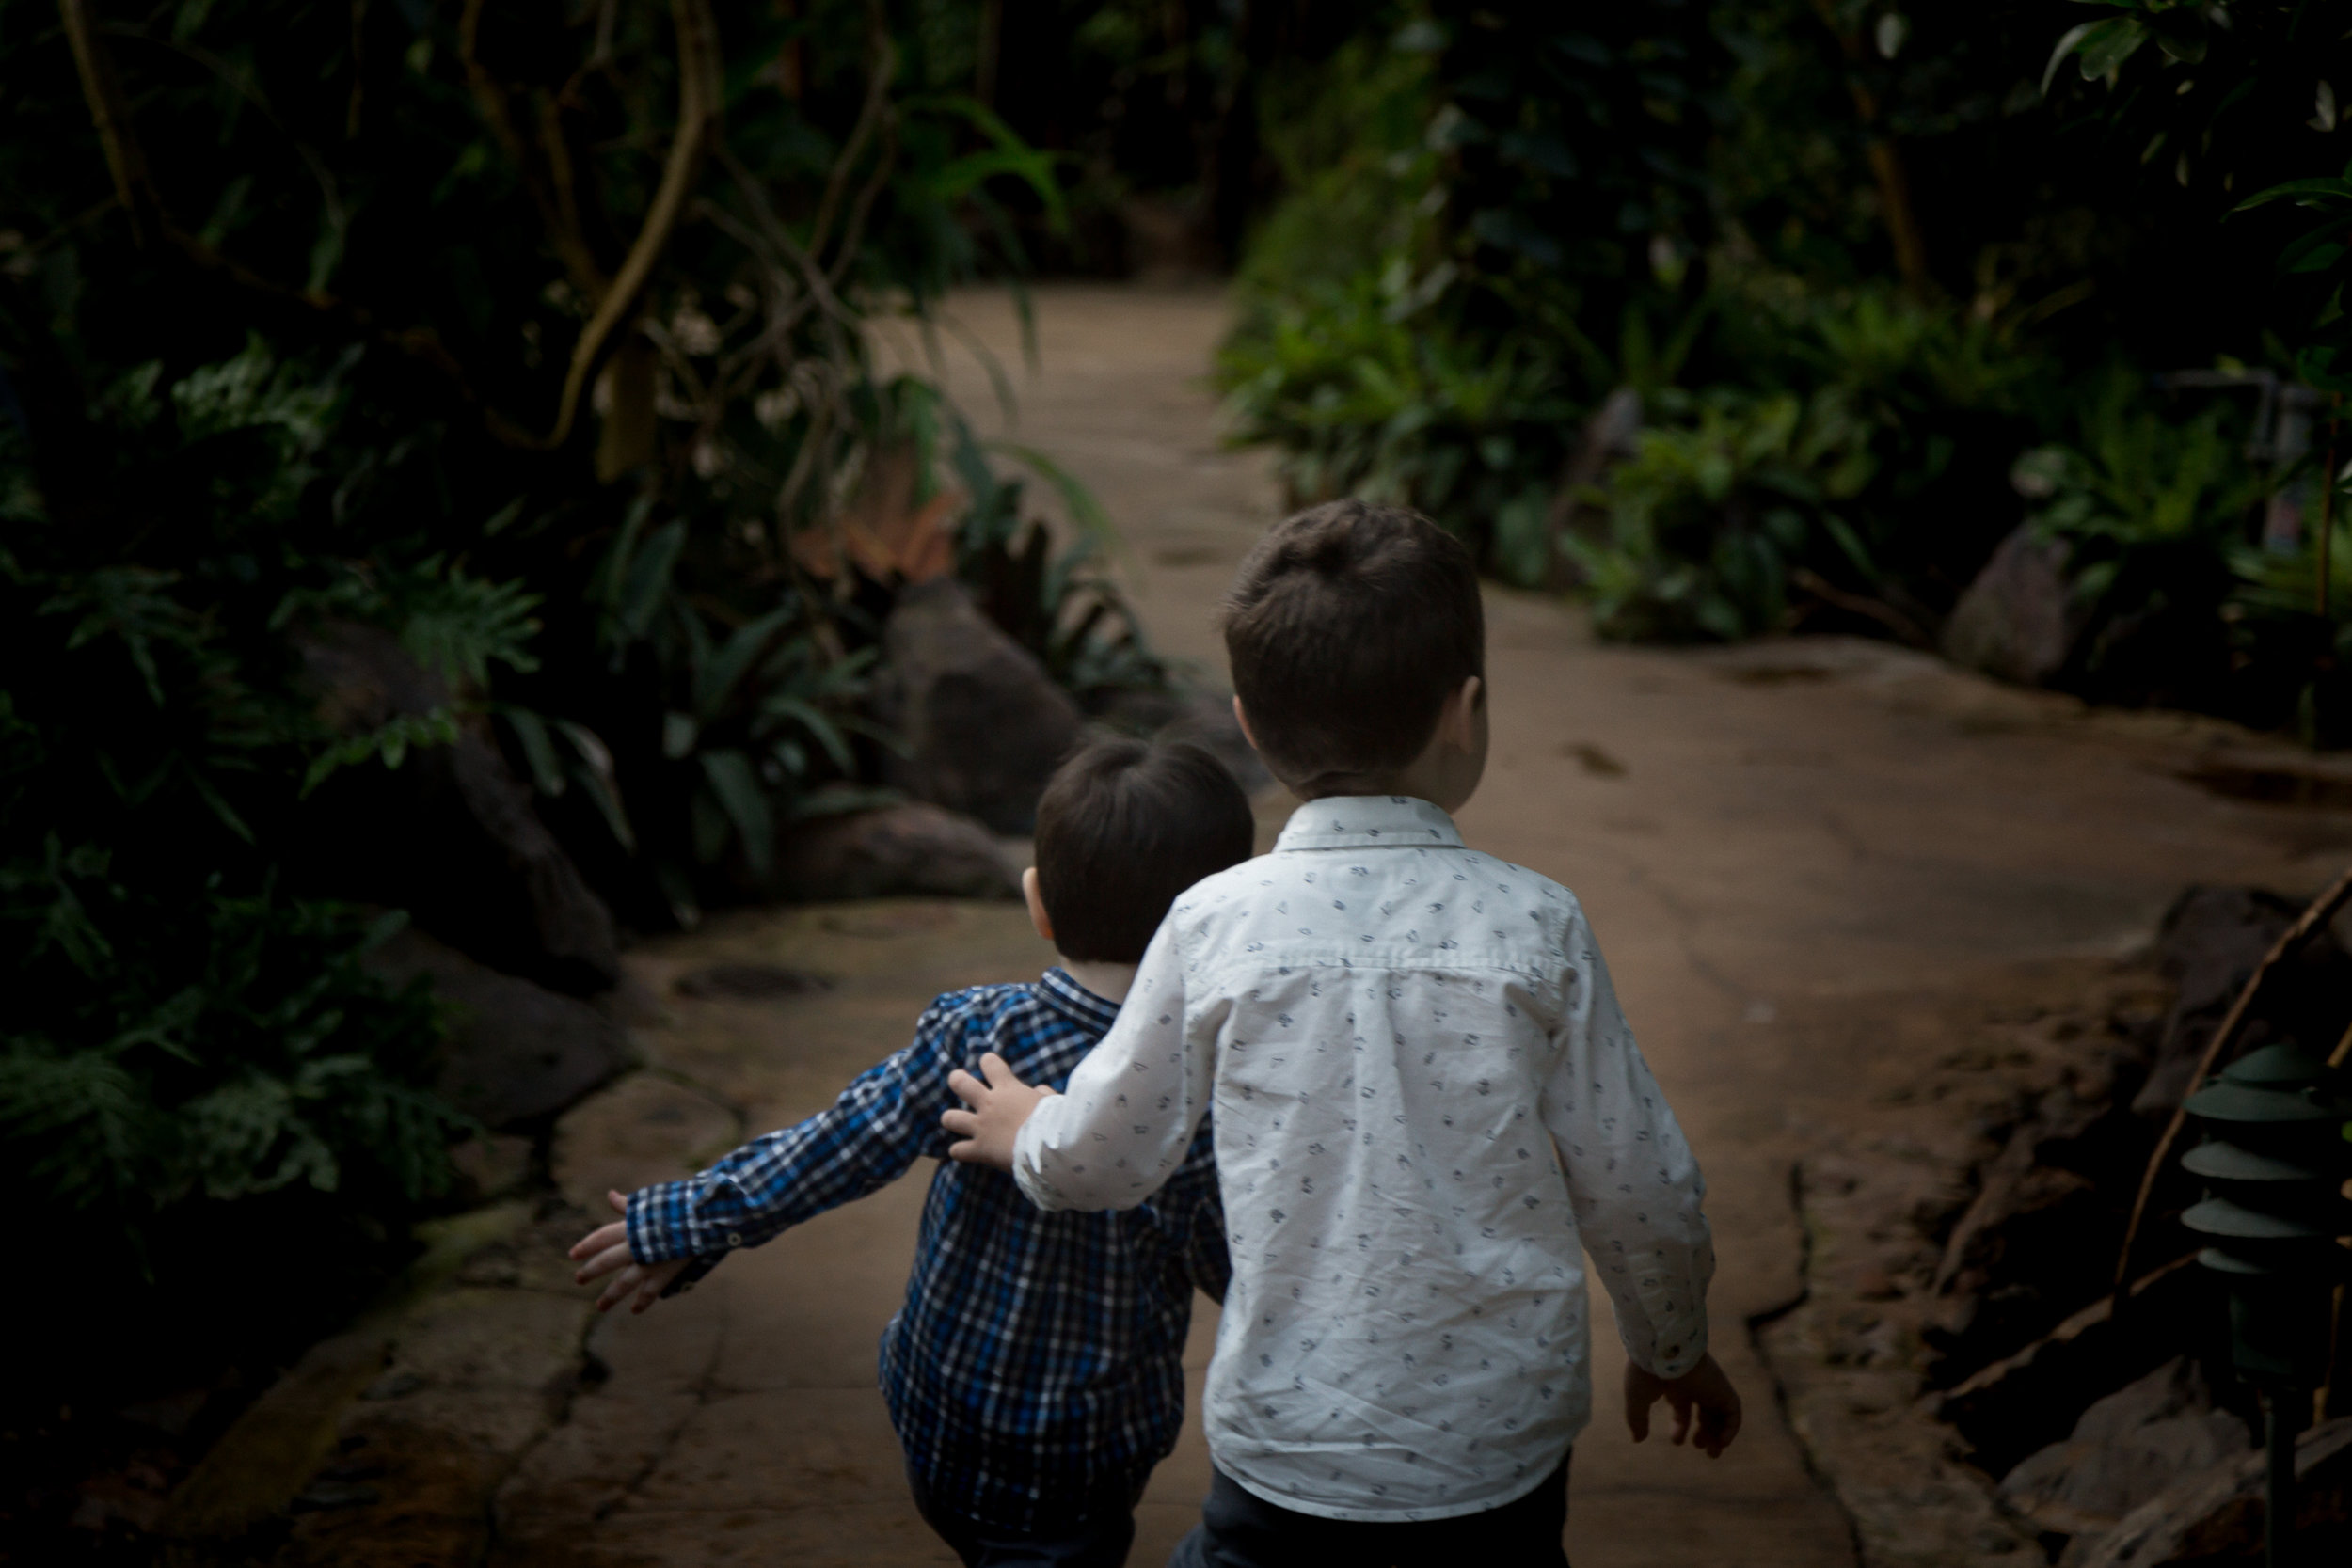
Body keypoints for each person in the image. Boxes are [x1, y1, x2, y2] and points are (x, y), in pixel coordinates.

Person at [942, 500, 1741, 1567]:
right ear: (1466, 711)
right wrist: (1670, 1345)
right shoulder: (1535, 924)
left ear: (1249, 725)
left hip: (1290, 1449)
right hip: (1498, 1454)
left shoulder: (1213, 922)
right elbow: (1640, 1184)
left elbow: (1108, 1156)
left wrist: (1027, 1129)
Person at [568, 737, 1256, 1568]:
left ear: (1037, 903)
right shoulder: (1198, 1099)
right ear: (1220, 926)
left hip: (938, 1411)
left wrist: (690, 1222)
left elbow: (836, 1145)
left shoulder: (977, 1033)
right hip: (1075, 1462)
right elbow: (1246, 1273)